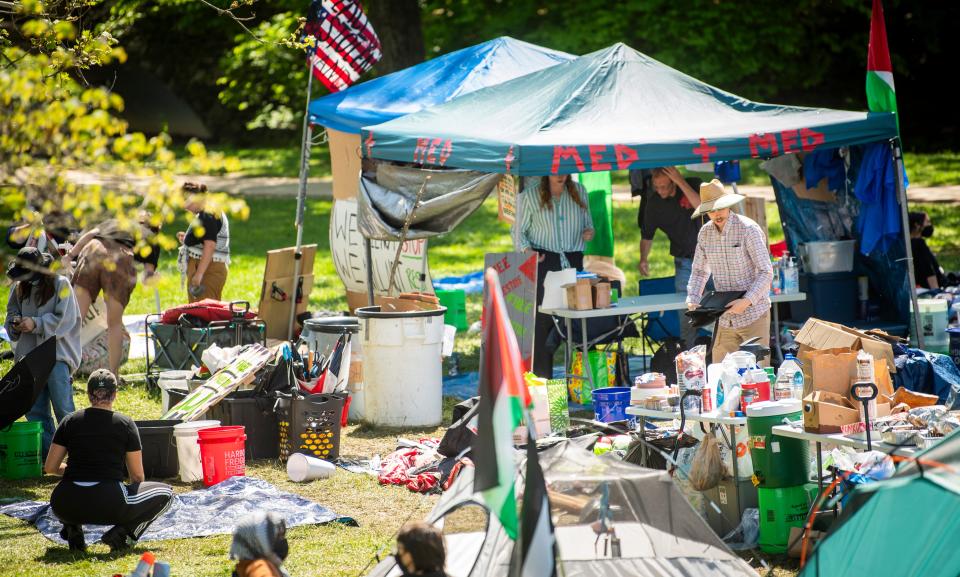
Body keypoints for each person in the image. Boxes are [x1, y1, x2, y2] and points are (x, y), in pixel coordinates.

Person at [44, 369, 174, 552]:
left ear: (89, 395)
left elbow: (50, 467)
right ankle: (122, 535)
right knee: (167, 494)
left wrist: (75, 470)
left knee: (71, 494)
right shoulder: (125, 424)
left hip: (65, 503)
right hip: (109, 502)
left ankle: (73, 528)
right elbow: (137, 476)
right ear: (115, 395)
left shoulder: (69, 421)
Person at [514, 174, 594, 378]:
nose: (560, 175)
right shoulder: (529, 196)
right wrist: (527, 250)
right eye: (555, 171)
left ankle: (579, 380)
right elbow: (517, 232)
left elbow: (589, 224)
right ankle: (543, 379)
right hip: (545, 261)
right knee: (544, 320)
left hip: (574, 260)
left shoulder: (580, 191)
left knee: (577, 319)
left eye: (564, 170)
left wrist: (588, 232)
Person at [686, 180, 773, 364]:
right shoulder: (704, 233)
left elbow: (766, 271)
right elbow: (699, 271)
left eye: (720, 208)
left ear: (728, 205)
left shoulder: (748, 229)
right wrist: (693, 297)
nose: (716, 214)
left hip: (754, 314)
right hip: (724, 317)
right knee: (722, 376)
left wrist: (747, 301)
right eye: (711, 210)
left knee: (757, 376)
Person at [5, 247, 81, 457]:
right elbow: (11, 311)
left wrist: (36, 324)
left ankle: (77, 455)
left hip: (57, 356)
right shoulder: (20, 286)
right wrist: (15, 323)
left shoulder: (61, 284)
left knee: (63, 408)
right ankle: (50, 457)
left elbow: (65, 320)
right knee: (35, 411)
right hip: (29, 359)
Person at [67, 216, 161, 375]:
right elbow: (148, 277)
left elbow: (89, 235)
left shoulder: (117, 221)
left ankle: (63, 372)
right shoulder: (152, 239)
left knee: (75, 320)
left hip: (93, 250)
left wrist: (70, 255)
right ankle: (113, 375)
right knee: (114, 324)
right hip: (120, 258)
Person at [637, 167, 704, 346]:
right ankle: (690, 356)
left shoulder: (692, 185)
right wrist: (643, 258)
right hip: (684, 263)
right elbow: (647, 235)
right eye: (656, 187)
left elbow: (702, 208)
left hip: (711, 258)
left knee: (721, 307)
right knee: (687, 313)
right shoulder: (654, 203)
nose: (660, 191)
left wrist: (680, 181)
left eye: (664, 186)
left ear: (673, 181)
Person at [178, 182, 230, 302]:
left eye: (186, 201)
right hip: (204, 266)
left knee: (203, 312)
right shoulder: (206, 212)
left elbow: (210, 245)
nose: (184, 207)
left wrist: (199, 274)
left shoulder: (208, 213)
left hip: (208, 269)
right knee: (197, 311)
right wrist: (187, 239)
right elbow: (206, 239)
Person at [229, 511, 291, 577]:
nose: (282, 541)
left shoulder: (251, 566)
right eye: (278, 537)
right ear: (259, 542)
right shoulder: (259, 569)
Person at [909, 211, 946, 290]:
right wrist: (936, 291)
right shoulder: (919, 244)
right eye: (927, 222)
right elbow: (929, 270)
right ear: (917, 225)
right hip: (927, 287)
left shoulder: (907, 243)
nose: (930, 225)